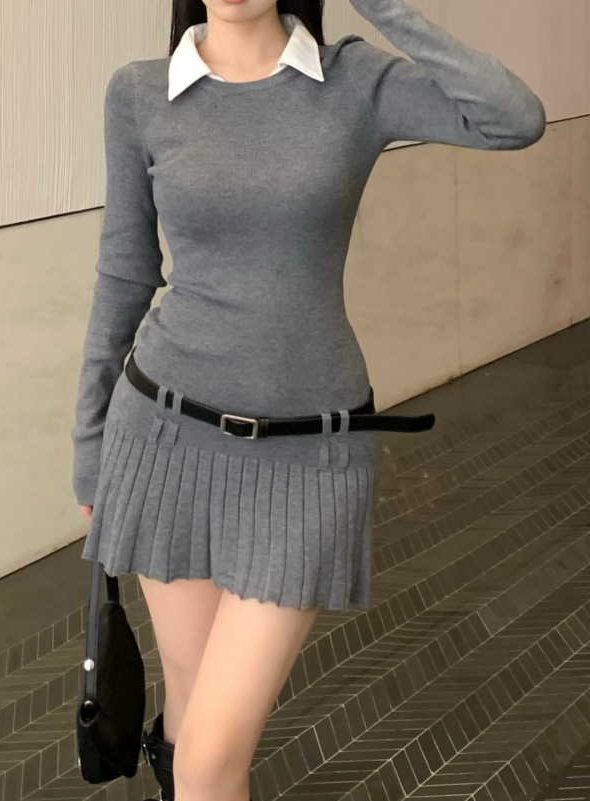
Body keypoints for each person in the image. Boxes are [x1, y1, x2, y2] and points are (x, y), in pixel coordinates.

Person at [71, 1, 546, 800]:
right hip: (162, 440)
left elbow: (514, 119)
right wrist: (88, 440)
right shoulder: (140, 92)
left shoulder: (353, 81)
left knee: (209, 756)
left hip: (308, 456)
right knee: (188, 723)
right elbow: (125, 271)